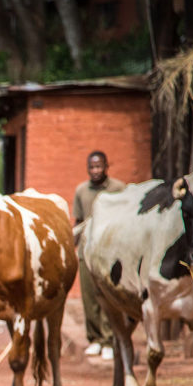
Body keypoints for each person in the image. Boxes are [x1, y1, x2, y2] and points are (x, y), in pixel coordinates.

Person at [73, 151, 125, 361]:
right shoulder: (81, 191)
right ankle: (94, 339)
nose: (95, 171)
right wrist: (72, 248)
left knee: (108, 294)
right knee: (89, 295)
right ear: (87, 168)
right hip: (87, 248)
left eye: (99, 166)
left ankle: (109, 339)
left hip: (110, 251)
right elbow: (77, 221)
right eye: (92, 167)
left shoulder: (118, 189)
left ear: (106, 166)